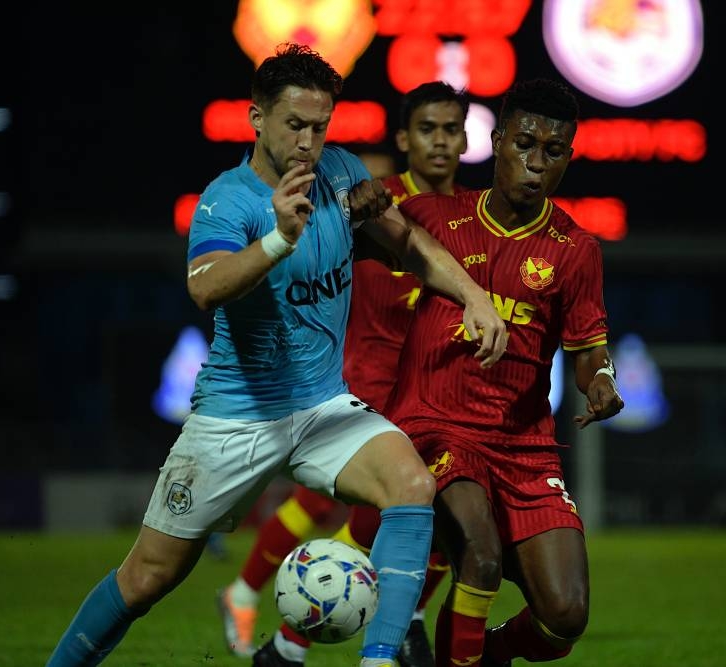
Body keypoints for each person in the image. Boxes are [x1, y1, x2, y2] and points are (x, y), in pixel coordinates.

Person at [44, 45, 507, 667]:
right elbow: (206, 286)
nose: (309, 142)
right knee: (147, 579)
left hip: (321, 409)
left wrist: (474, 297)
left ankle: (378, 659)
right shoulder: (227, 199)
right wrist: (278, 238)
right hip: (235, 418)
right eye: (296, 125)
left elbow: (411, 244)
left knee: (411, 484)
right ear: (257, 118)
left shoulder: (342, 175)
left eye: (321, 127)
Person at [353, 78, 624, 666]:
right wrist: (358, 212)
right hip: (437, 426)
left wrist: (602, 379)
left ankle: (479, 656)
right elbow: (344, 242)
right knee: (477, 555)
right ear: (496, 142)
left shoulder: (575, 250)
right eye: (524, 143)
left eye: (553, 153)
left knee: (565, 618)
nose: (535, 163)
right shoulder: (436, 216)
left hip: (525, 448)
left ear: (567, 159)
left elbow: (588, 352)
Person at [219, 80, 471, 667]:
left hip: (439, 394)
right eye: (427, 129)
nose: (439, 141)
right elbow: (292, 265)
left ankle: (299, 640)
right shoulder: (364, 201)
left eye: (451, 130)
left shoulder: (472, 216)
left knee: (435, 522)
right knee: (370, 520)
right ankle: (329, 631)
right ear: (405, 137)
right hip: (368, 386)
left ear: (466, 139)